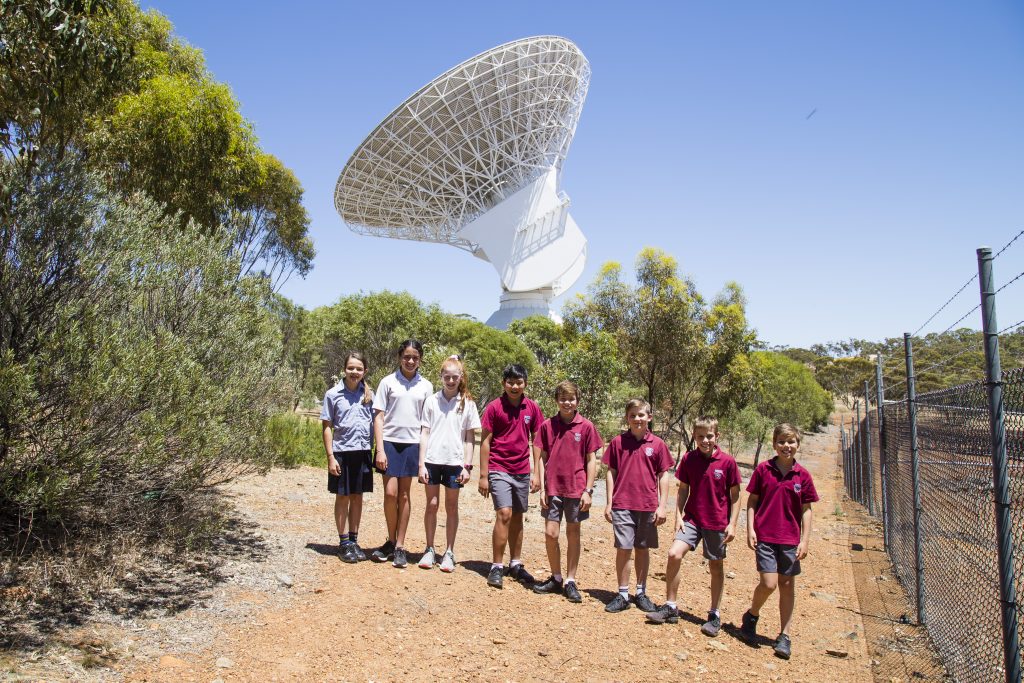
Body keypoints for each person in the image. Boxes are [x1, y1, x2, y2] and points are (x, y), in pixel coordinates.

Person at [647, 416, 741, 635]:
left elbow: (735, 496)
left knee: (715, 566)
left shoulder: (727, 463)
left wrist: (733, 524)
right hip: (692, 520)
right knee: (673, 554)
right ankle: (670, 606)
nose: (705, 440)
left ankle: (714, 615)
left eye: (709, 436)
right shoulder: (689, 459)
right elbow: (683, 489)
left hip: (717, 522)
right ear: (694, 436)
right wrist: (678, 516)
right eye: (700, 436)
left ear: (717, 436)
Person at [740, 423, 819, 660]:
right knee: (769, 583)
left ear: (797, 444)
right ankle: (752, 616)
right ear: (774, 444)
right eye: (782, 442)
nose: (787, 446)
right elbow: (752, 501)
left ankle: (784, 635)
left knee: (787, 585)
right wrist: (750, 529)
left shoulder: (802, 475)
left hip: (790, 539)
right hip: (765, 535)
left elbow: (806, 509)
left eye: (791, 441)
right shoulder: (764, 470)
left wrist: (805, 540)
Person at [531, 380, 603, 603]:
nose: (567, 403)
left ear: (577, 401)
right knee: (550, 534)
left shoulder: (586, 427)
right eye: (563, 398)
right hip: (552, 488)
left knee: (573, 534)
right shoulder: (547, 426)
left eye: (571, 399)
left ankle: (571, 580)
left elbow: (592, 460)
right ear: (557, 401)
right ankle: (556, 577)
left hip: (576, 488)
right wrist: (542, 488)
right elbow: (541, 457)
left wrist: (588, 490)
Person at [602, 399, 673, 613]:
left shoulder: (658, 445)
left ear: (649, 417)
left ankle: (641, 592)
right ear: (627, 418)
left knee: (642, 548)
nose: (637, 419)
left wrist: (662, 506)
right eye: (632, 415)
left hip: (648, 505)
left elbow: (663, 475)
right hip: (622, 504)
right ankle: (623, 593)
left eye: (641, 415)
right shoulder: (618, 442)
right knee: (623, 548)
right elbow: (610, 472)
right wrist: (609, 502)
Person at [478, 363, 543, 589]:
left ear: (525, 383)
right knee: (504, 513)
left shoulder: (532, 408)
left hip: (522, 471)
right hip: (499, 468)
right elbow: (485, 441)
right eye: (510, 382)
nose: (514, 386)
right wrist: (483, 475)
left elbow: (538, 441)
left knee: (517, 516)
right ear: (503, 383)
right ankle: (496, 566)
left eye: (519, 382)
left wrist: (537, 473)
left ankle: (515, 563)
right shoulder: (495, 407)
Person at [370, 340, 433, 568]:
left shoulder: (426, 385)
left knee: (404, 495)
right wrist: (380, 449)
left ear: (420, 359)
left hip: (412, 445)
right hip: (389, 444)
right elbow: (378, 416)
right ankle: (391, 538)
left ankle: (400, 546)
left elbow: (427, 421)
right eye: (406, 356)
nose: (410, 361)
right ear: (399, 357)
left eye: (415, 357)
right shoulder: (387, 382)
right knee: (390, 493)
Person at [416, 355, 480, 572]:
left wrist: (467, 466)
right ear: (441, 377)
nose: (451, 381)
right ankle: (430, 548)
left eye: (454, 377)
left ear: (460, 377)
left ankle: (449, 552)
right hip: (432, 460)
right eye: (447, 377)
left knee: (451, 507)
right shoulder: (432, 401)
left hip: (455, 463)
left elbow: (470, 437)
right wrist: (421, 464)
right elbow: (424, 432)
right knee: (431, 505)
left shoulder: (467, 403)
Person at [319, 352, 375, 563]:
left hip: (362, 452)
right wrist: (330, 457)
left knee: (358, 497)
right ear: (344, 369)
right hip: (341, 452)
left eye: (359, 369)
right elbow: (327, 427)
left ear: (364, 372)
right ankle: (343, 542)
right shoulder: (333, 395)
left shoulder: (369, 395)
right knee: (342, 497)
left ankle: (354, 540)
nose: (354, 372)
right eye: (351, 368)